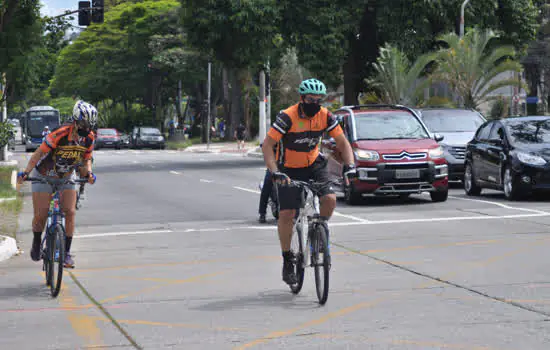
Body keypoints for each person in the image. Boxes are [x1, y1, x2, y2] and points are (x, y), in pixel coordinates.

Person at [261, 78, 357, 285]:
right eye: (310, 99)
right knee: (287, 214)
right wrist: (275, 172)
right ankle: (287, 258)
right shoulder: (287, 117)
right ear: (302, 98)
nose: (314, 103)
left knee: (330, 199)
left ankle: (318, 232)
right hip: (289, 169)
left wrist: (350, 166)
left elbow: (342, 142)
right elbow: (267, 145)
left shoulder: (325, 116)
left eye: (318, 100)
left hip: (315, 165)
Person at [17, 100, 98, 268]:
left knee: (69, 212)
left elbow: (86, 159)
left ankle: (66, 253)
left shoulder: (89, 138)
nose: (87, 127)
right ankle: (37, 241)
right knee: (41, 215)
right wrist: (25, 172)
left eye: (90, 125)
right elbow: (38, 154)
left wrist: (88, 173)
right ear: (75, 121)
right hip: (44, 175)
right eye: (84, 123)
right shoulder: (59, 133)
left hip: (66, 176)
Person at [258, 141, 280, 223]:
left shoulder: (290, 138)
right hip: (273, 165)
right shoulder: (274, 135)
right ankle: (262, 213)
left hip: (287, 164)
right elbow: (265, 144)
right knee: (267, 184)